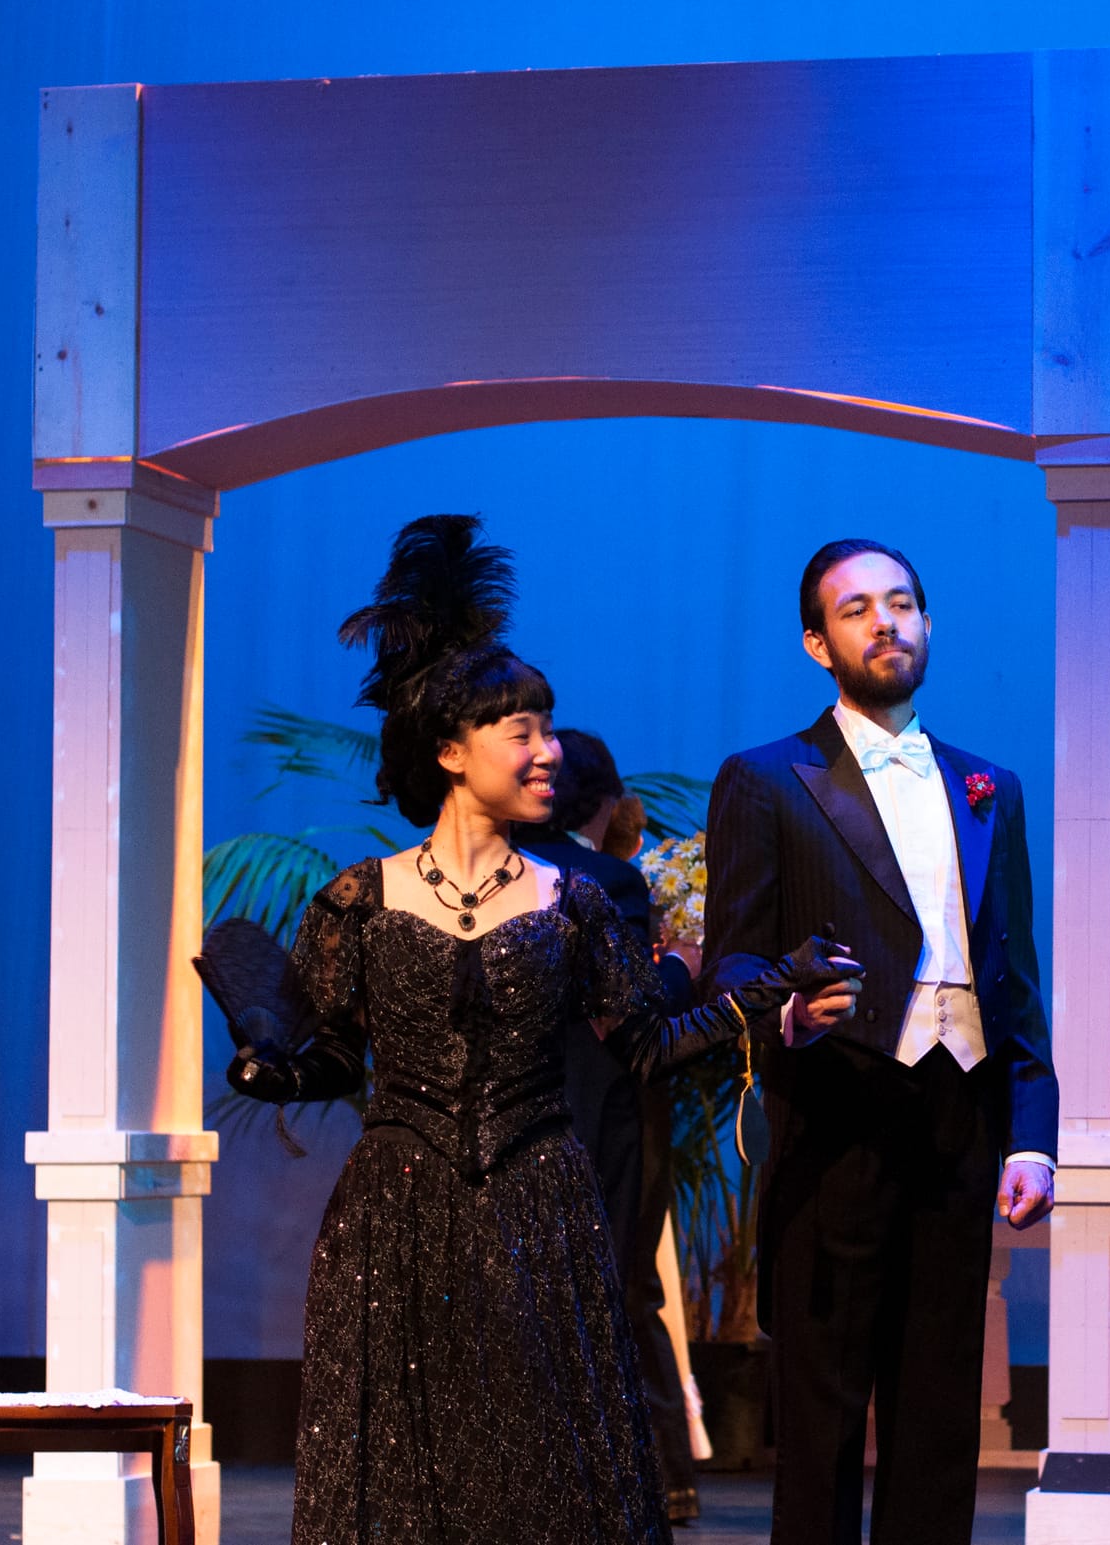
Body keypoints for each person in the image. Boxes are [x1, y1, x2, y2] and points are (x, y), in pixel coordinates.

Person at [211, 516, 851, 1545]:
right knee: (409, 1474)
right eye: (525, 731)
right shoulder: (357, 904)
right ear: (452, 751)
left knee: (539, 1472)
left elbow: (646, 1045)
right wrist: (272, 1069)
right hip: (395, 1221)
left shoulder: (576, 900)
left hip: (541, 1210)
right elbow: (334, 1058)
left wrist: (772, 990)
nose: (550, 751)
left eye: (549, 729)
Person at [702, 538, 1058, 1545]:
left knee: (940, 1403)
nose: (885, 622)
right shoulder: (767, 780)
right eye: (857, 609)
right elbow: (731, 961)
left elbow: (1013, 979)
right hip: (836, 1113)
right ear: (818, 643)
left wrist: (1030, 1135)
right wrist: (784, 1013)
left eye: (901, 602)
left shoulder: (990, 786)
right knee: (819, 1410)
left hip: (958, 1117)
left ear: (928, 623)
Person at [518, 727, 704, 1525]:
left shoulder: (486, 878)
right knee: (624, 1294)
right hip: (603, 1118)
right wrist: (686, 962)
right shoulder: (604, 881)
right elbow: (634, 1008)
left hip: (518, 1125)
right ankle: (647, 1479)